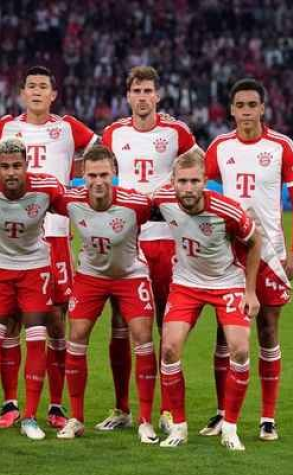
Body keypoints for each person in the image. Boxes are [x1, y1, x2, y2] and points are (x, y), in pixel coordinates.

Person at [0, 65, 97, 430]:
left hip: (55, 233)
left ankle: (56, 405)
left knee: (56, 321)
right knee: (10, 321)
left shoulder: (68, 128)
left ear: (53, 94)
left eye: (43, 86)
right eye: (30, 86)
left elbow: (100, 151)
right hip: (13, 235)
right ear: (22, 93)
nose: (36, 91)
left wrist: (75, 178)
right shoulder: (5, 128)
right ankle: (10, 403)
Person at [203, 78, 293, 441]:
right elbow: (195, 183)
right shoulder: (220, 147)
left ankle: (267, 418)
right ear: (232, 111)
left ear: (262, 108)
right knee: (224, 332)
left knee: (267, 331)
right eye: (240, 105)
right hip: (231, 253)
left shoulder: (281, 146)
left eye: (252, 105)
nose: (246, 111)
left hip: (271, 255)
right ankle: (221, 413)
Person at [100, 66, 198, 433]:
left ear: (157, 95)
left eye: (147, 91)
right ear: (128, 96)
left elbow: (199, 167)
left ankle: (168, 411)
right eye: (136, 91)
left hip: (167, 239)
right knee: (120, 324)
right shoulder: (113, 133)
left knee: (166, 326)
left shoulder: (176, 132)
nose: (142, 97)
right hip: (126, 240)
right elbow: (99, 173)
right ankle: (122, 408)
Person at [154, 150, 262, 451]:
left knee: (240, 349)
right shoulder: (162, 200)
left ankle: (230, 428)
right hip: (186, 284)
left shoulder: (227, 210)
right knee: (169, 348)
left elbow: (255, 243)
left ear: (205, 181)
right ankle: (179, 426)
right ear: (173, 182)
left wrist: (250, 291)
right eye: (182, 181)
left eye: (194, 181)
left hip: (227, 283)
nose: (188, 188)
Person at [50, 146, 159, 443]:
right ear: (82, 176)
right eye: (92, 175)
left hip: (130, 275)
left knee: (142, 336)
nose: (98, 181)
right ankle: (76, 418)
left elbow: (166, 208)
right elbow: (39, 197)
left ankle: (145, 420)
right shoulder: (70, 200)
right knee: (77, 334)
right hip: (91, 276)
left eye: (104, 175)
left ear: (114, 174)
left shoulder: (136, 204)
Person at [0, 137, 64, 441]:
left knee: (36, 340)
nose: (11, 172)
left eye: (17, 166)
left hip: (35, 269)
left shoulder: (47, 187)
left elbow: (78, 206)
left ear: (26, 166)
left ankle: (30, 417)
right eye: (5, 166)